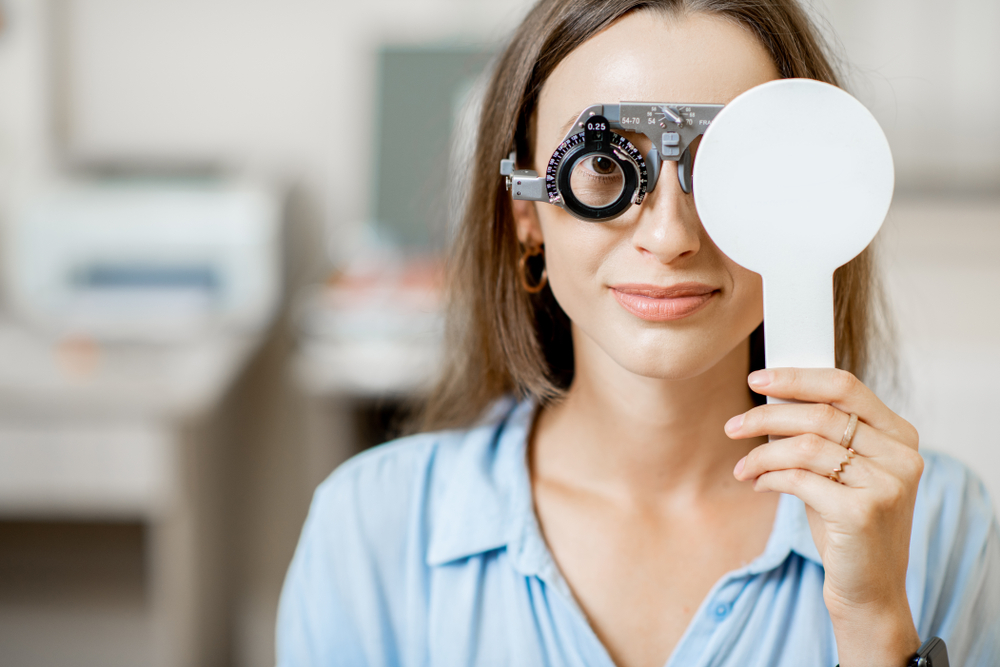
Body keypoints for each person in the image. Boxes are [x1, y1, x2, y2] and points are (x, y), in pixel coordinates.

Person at [276, 1, 1000, 665]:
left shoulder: (933, 523)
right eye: (603, 165)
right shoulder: (371, 528)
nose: (669, 234)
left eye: (726, 168)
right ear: (526, 213)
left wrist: (874, 619)